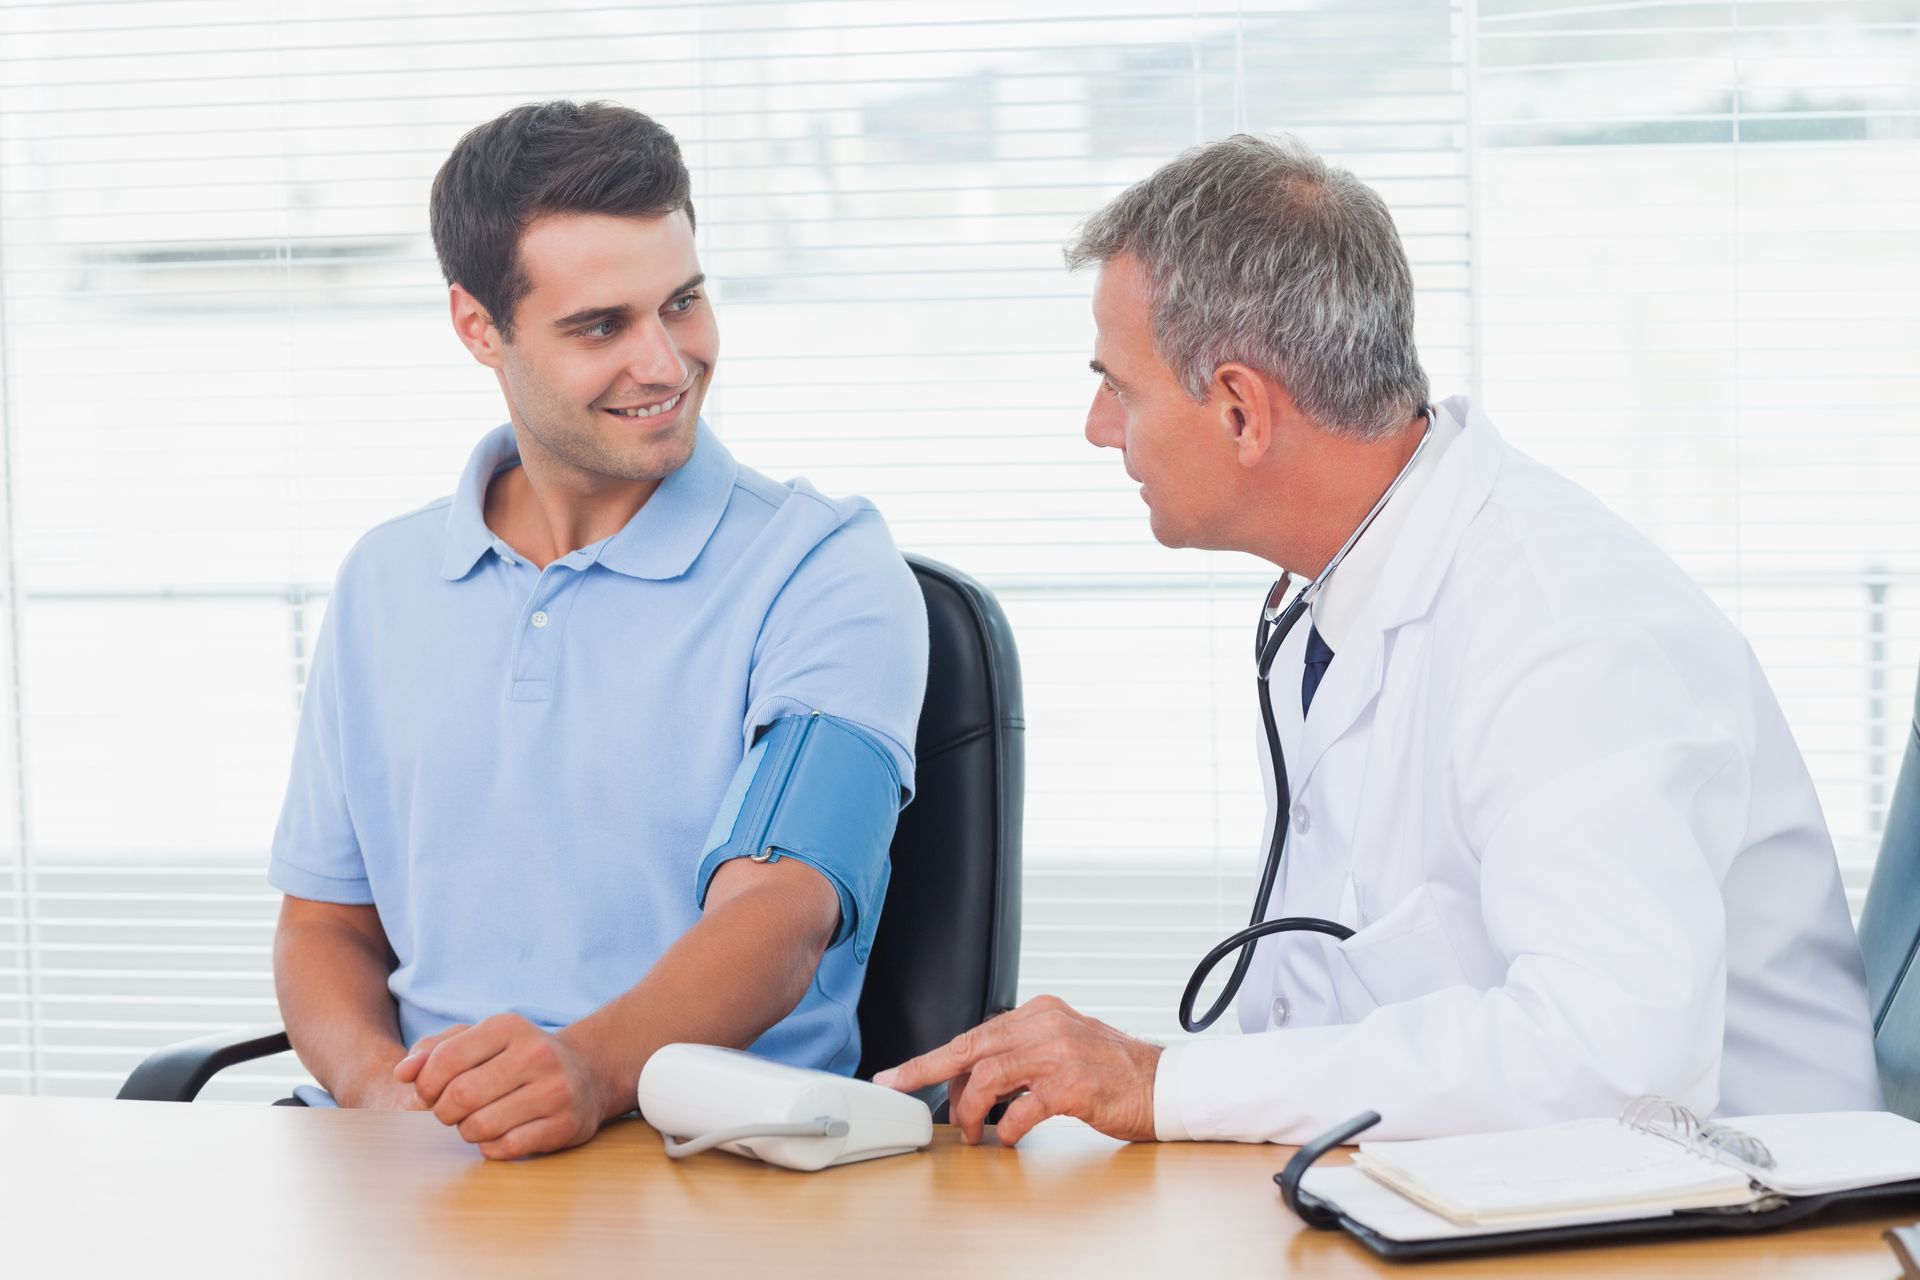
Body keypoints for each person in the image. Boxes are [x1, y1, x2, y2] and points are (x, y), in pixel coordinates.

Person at [876, 134, 1882, 1147]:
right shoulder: (1350, 598)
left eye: (1120, 389)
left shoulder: (1565, 627)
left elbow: (1611, 1063)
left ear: (1239, 410)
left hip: (1749, 1225)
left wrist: (1166, 1083)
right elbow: (1335, 1027)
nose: (1099, 428)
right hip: (1493, 1202)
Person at [269, 101, 927, 1160]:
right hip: (425, 1157)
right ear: (479, 327)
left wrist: (585, 1070)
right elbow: (326, 925)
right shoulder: (385, 581)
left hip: (705, 1157)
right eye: (600, 325)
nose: (665, 363)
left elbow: (784, 909)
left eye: (684, 302)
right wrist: (375, 1095)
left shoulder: (824, 565)